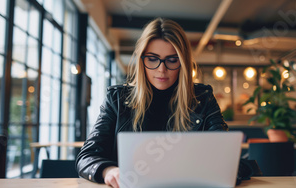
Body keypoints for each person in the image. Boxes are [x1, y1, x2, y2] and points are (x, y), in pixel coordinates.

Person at [76, 18, 248, 188]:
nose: (161, 69)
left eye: (172, 60)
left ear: (183, 62)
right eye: (152, 59)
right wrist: (109, 171)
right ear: (141, 60)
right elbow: (87, 157)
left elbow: (230, 160)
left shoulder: (202, 99)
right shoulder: (117, 99)